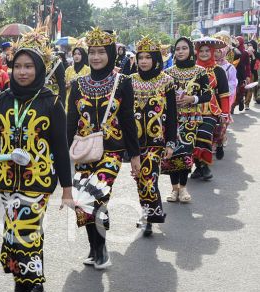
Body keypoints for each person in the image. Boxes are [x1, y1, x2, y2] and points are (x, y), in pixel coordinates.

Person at [0, 32, 72, 292]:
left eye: (29, 66)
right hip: (7, 180)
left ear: (39, 69)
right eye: (18, 66)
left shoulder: (51, 102)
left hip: (38, 181)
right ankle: (34, 285)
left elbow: (60, 147)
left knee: (23, 233)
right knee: (17, 234)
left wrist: (67, 188)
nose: (22, 71)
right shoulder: (3, 101)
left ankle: (25, 291)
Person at [66, 28, 140, 269]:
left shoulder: (123, 82)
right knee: (81, 200)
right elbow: (69, 122)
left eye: (101, 52)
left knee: (97, 194)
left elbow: (128, 120)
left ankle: (102, 248)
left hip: (112, 150)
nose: (96, 57)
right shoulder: (77, 84)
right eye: (92, 52)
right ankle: (94, 247)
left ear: (110, 53)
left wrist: (136, 156)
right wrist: (61, 159)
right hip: (84, 150)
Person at [130, 36, 177, 237]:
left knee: (149, 177)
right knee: (140, 179)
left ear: (156, 58)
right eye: (140, 57)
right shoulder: (131, 81)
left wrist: (171, 142)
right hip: (135, 142)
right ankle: (146, 212)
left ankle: (150, 217)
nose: (143, 61)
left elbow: (173, 114)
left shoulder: (166, 81)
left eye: (148, 57)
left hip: (157, 141)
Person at [163, 37, 211, 203]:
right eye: (177, 49)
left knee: (185, 153)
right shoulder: (168, 73)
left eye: (184, 48)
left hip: (190, 118)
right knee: (171, 152)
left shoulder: (200, 71)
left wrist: (193, 99)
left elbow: (208, 95)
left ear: (191, 50)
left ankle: (183, 188)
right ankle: (174, 188)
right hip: (171, 119)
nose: (181, 51)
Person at [191, 37, 230, 182]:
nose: (204, 53)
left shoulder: (219, 71)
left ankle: (205, 166)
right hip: (192, 109)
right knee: (192, 137)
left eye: (207, 51)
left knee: (203, 134)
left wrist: (225, 114)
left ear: (213, 52)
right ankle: (198, 167)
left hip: (211, 110)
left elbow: (224, 94)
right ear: (196, 52)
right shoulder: (192, 69)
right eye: (201, 51)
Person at [213, 34, 237, 161]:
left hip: (224, 98)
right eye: (214, 51)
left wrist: (223, 88)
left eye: (219, 51)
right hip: (211, 99)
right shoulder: (207, 66)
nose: (216, 54)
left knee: (222, 123)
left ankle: (220, 141)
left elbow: (233, 83)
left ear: (224, 51)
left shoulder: (229, 67)